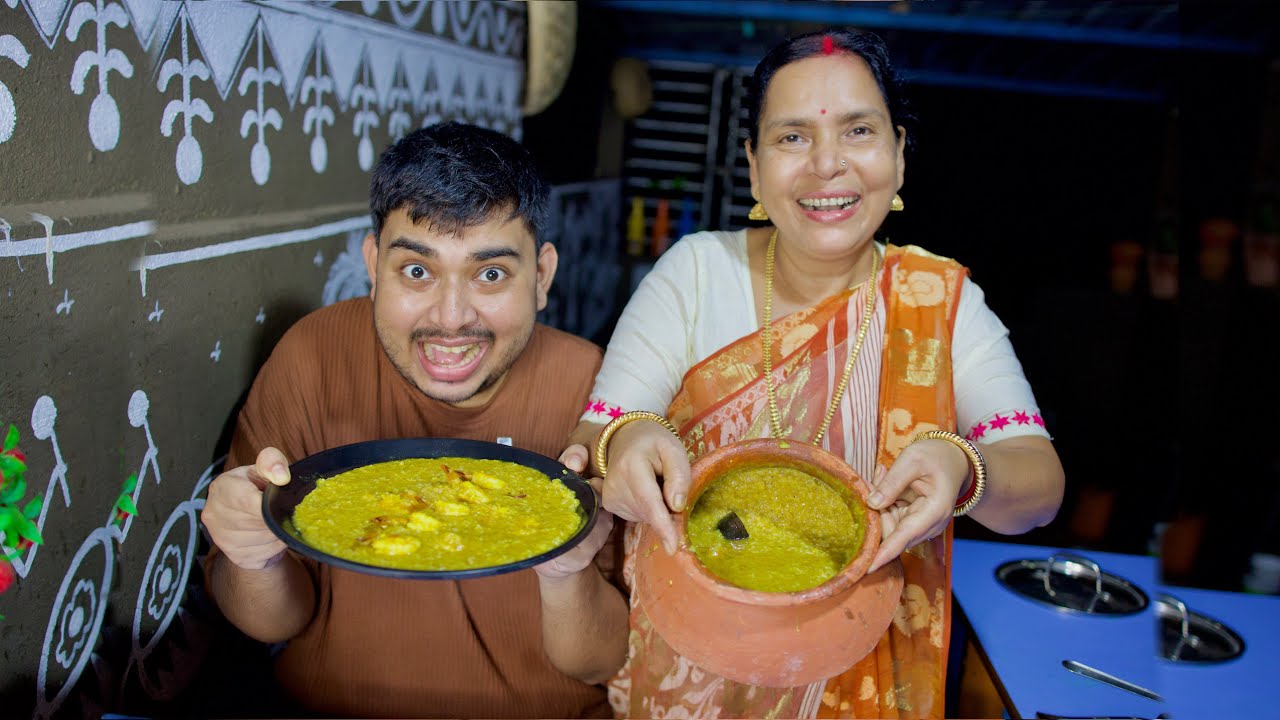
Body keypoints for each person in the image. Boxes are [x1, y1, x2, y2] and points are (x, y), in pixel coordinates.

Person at [572, 29, 1065, 718]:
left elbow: (1039, 488)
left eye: (858, 131)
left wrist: (964, 468)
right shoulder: (697, 272)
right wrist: (623, 444)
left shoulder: (941, 303)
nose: (827, 164)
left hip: (861, 674)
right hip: (686, 673)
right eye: (792, 137)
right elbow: (595, 438)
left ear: (898, 153)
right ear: (753, 166)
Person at [200, 122, 628, 719]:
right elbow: (269, 621)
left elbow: (602, 660)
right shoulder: (313, 355)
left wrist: (567, 572)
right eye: (417, 271)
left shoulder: (601, 395)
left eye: (491, 274)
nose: (451, 319)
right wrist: (253, 556)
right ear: (374, 263)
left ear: (542, 277)